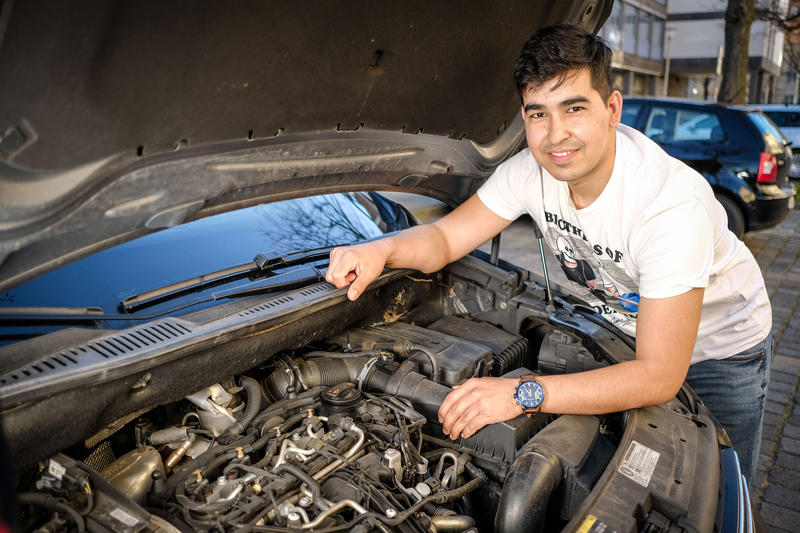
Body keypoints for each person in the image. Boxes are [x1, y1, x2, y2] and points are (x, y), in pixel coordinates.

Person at [326, 24, 772, 483]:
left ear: (612, 108)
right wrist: (380, 248)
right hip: (625, 331)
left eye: (574, 108)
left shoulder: (671, 206)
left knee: (717, 485)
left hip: (722, 349)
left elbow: (659, 375)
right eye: (538, 114)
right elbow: (443, 241)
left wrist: (521, 393)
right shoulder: (527, 174)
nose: (556, 135)